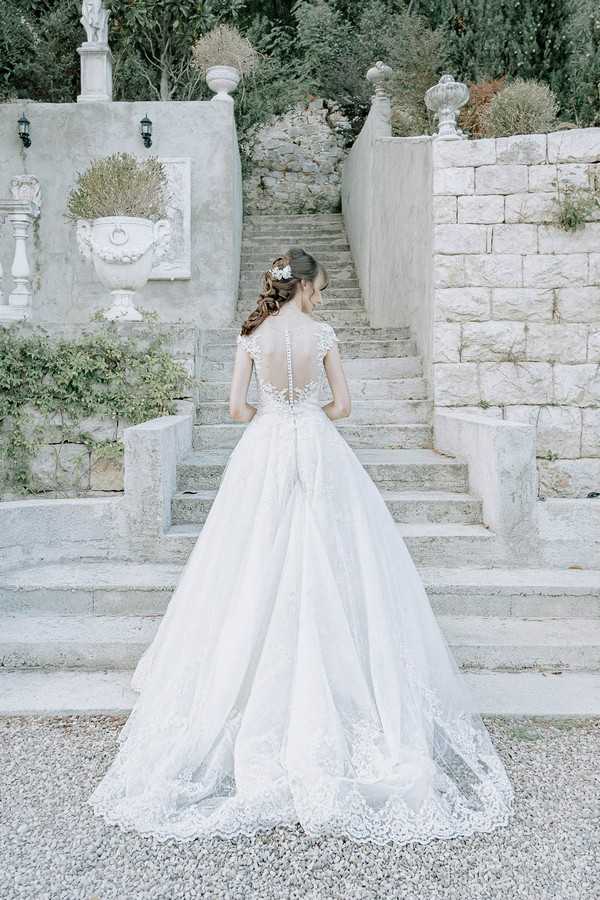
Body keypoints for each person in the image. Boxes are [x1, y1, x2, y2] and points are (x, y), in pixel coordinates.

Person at [88, 247, 514, 844]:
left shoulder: (253, 334)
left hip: (263, 448)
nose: (321, 294)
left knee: (249, 558)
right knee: (337, 557)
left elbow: (237, 408)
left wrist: (270, 410)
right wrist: (306, 411)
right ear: (306, 285)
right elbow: (342, 405)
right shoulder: (322, 334)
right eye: (320, 286)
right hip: (316, 445)